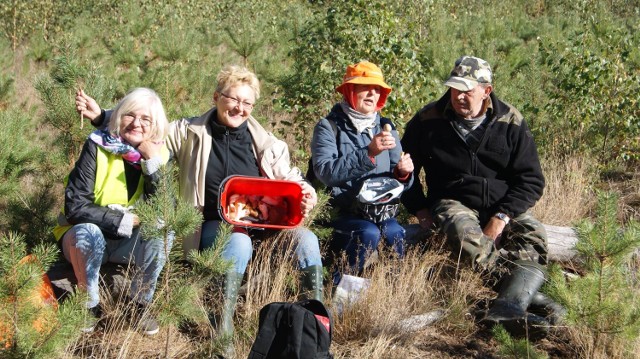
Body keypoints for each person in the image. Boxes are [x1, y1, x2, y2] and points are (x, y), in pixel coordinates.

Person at [76, 66, 324, 341]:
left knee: (306, 239)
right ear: (216, 97)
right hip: (212, 227)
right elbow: (144, 125)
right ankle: (223, 329)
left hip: (265, 224)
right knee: (238, 241)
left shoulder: (265, 141)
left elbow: (290, 177)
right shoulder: (188, 132)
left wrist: (306, 192)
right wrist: (102, 117)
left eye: (247, 103)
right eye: (232, 99)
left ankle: (315, 325)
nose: (239, 108)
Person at [401, 56, 557, 337]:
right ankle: (527, 302)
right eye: (454, 88)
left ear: (487, 90)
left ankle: (505, 309)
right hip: (452, 200)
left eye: (467, 90)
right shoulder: (428, 119)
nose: (459, 96)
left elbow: (531, 180)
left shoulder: (510, 120)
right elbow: (401, 169)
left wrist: (501, 217)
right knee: (467, 238)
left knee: (534, 235)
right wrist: (419, 207)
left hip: (502, 204)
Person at [53, 88, 172, 335]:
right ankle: (89, 304)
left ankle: (139, 302)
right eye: (130, 115)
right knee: (87, 232)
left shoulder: (159, 155)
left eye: (146, 119)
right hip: (83, 238)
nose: (136, 123)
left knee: (163, 231)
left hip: (127, 243)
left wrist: (152, 165)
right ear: (118, 117)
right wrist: (123, 220)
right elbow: (75, 206)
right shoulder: (97, 145)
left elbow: (165, 210)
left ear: (155, 126)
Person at [311, 61, 414, 280]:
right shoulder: (328, 127)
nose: (372, 93)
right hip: (341, 212)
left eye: (377, 89)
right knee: (367, 232)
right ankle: (339, 291)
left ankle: (391, 291)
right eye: (365, 87)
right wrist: (369, 153)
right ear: (350, 90)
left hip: (380, 212)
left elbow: (400, 182)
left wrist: (404, 173)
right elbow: (325, 172)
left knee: (394, 233)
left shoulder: (388, 128)